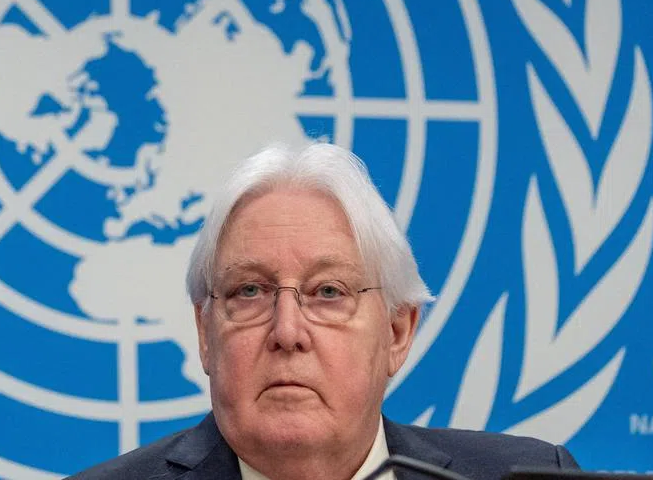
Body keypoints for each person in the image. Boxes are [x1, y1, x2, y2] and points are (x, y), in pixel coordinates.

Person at [69, 141, 578, 480]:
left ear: (397, 332)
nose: (287, 331)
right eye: (250, 291)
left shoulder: (530, 475)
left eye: (328, 292)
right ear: (205, 333)